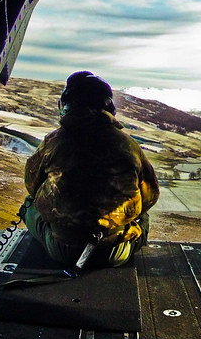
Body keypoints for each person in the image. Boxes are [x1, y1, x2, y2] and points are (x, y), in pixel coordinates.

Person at [22, 71, 160, 269]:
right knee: (142, 217)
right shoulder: (128, 145)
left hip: (64, 251)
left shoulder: (53, 141)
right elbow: (151, 195)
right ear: (109, 108)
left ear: (66, 106)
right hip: (114, 252)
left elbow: (32, 185)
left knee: (29, 204)